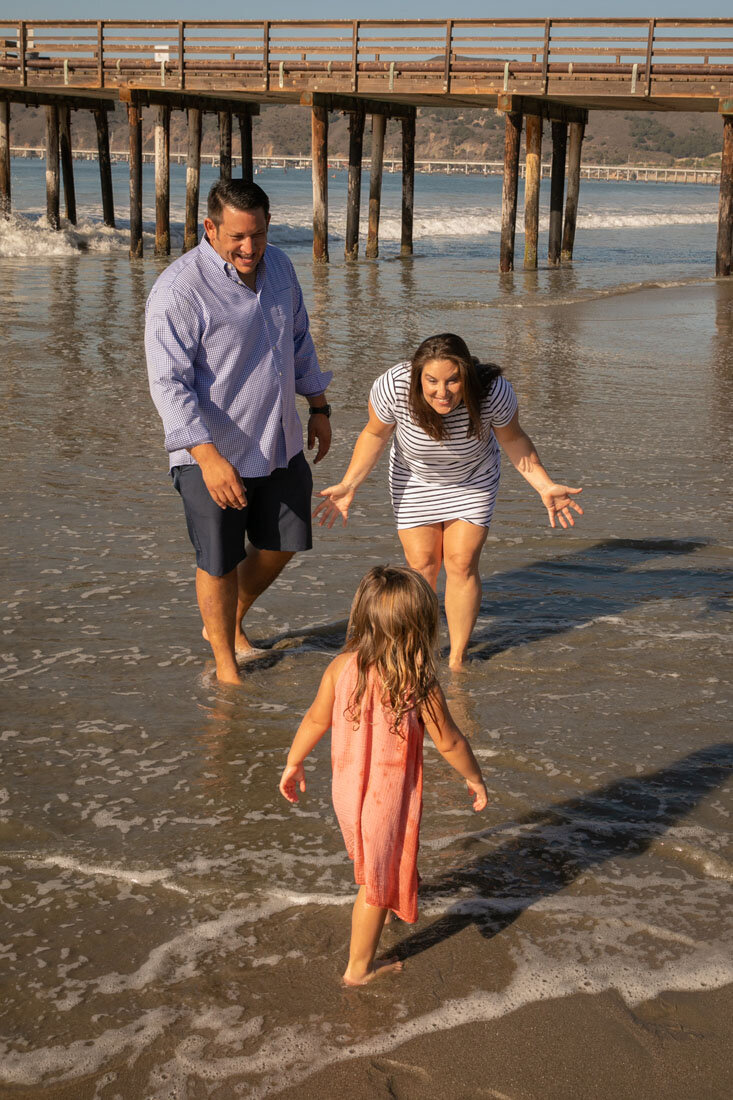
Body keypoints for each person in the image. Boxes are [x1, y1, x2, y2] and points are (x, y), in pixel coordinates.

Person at [146, 180, 333, 685]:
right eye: (237, 238)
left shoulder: (281, 270)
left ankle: (225, 626)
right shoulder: (178, 289)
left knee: (284, 540)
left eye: (259, 235)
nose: (249, 248)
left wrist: (318, 404)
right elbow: (169, 383)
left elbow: (298, 338)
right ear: (210, 228)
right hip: (211, 450)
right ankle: (227, 669)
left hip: (278, 438)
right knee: (220, 559)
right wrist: (206, 456)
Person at [314, 333, 583, 669]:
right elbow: (375, 434)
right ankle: (420, 653)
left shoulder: (492, 393)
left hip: (473, 479)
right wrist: (349, 483)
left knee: (461, 562)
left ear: (466, 374)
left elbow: (513, 438)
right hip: (415, 479)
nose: (442, 392)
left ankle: (457, 657)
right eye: (432, 381)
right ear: (417, 376)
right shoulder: (394, 387)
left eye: (453, 380)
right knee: (423, 566)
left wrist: (544, 485)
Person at [279, 565, 488, 986]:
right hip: (384, 799)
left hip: (347, 791)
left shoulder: (341, 667)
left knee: (377, 861)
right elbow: (450, 742)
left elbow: (316, 720)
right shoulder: (417, 682)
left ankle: (394, 895)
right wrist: (475, 777)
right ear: (421, 627)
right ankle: (359, 968)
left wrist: (293, 761)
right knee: (376, 882)